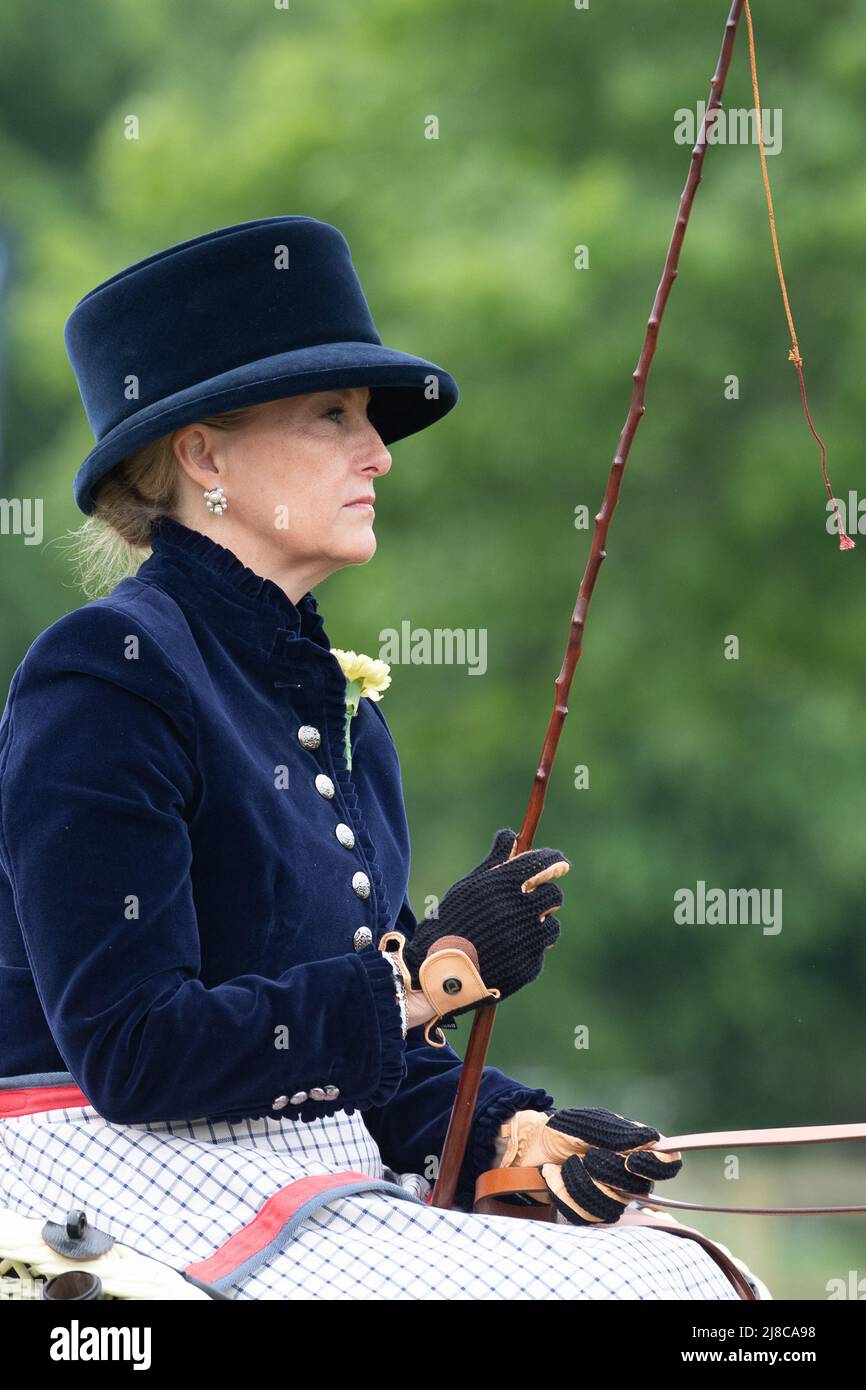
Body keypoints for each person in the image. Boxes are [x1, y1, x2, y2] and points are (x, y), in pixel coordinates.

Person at [0, 216, 768, 1299]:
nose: (376, 453)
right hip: (111, 1179)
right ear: (205, 455)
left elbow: (351, 1060)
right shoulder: (105, 673)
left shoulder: (335, 704)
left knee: (689, 1266)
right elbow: (134, 1051)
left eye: (369, 420)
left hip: (302, 1175)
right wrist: (424, 975)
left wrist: (514, 1128)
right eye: (332, 416)